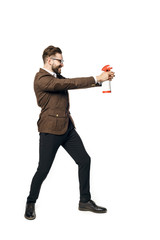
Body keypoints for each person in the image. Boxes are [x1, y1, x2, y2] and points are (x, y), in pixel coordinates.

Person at [24, 45, 115, 220]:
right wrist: (96, 77)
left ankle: (85, 201)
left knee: (84, 160)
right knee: (43, 169)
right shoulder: (41, 78)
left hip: (67, 128)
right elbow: (68, 83)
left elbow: (72, 84)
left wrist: (101, 80)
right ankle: (30, 202)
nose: (62, 64)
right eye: (60, 60)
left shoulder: (55, 76)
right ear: (49, 60)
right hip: (50, 130)